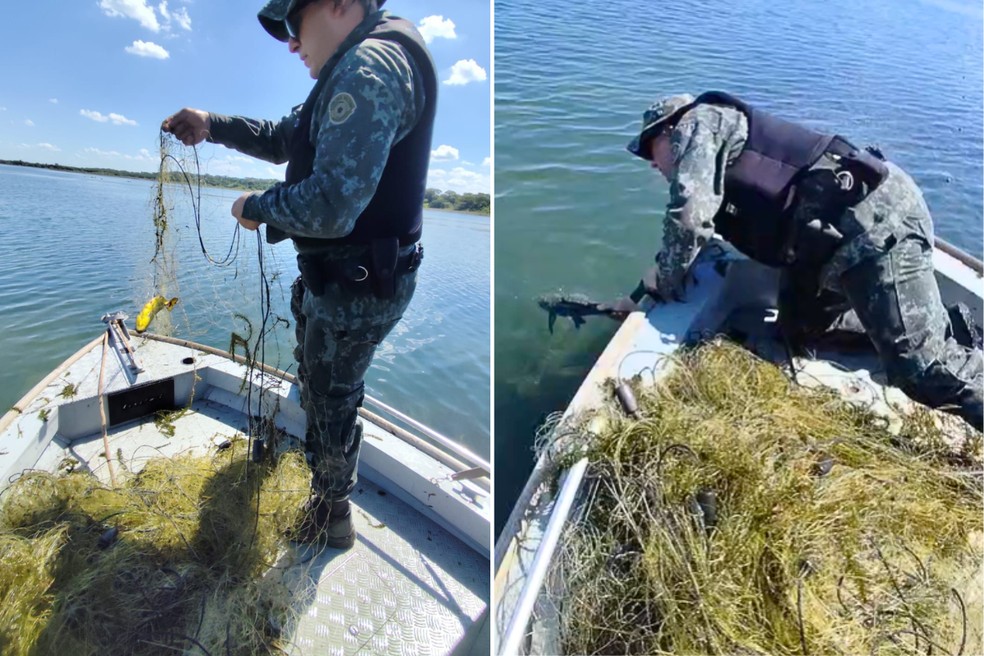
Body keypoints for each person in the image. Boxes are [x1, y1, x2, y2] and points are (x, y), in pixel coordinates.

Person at [162, 0, 437, 548]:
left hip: (358, 288)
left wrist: (256, 207)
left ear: (338, 2)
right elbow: (284, 136)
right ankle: (322, 468)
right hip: (338, 278)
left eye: (292, 23)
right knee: (318, 381)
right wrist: (211, 124)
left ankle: (332, 516)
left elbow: (332, 205)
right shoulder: (351, 69)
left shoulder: (368, 67)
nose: (290, 43)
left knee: (332, 399)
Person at [626, 91, 983, 430]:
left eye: (650, 149)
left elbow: (689, 219)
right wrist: (636, 297)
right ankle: (946, 324)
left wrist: (666, 278)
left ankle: (938, 344)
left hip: (875, 227)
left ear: (669, 128)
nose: (652, 164)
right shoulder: (716, 149)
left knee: (920, 369)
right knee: (799, 335)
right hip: (824, 253)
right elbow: (706, 223)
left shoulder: (698, 122)